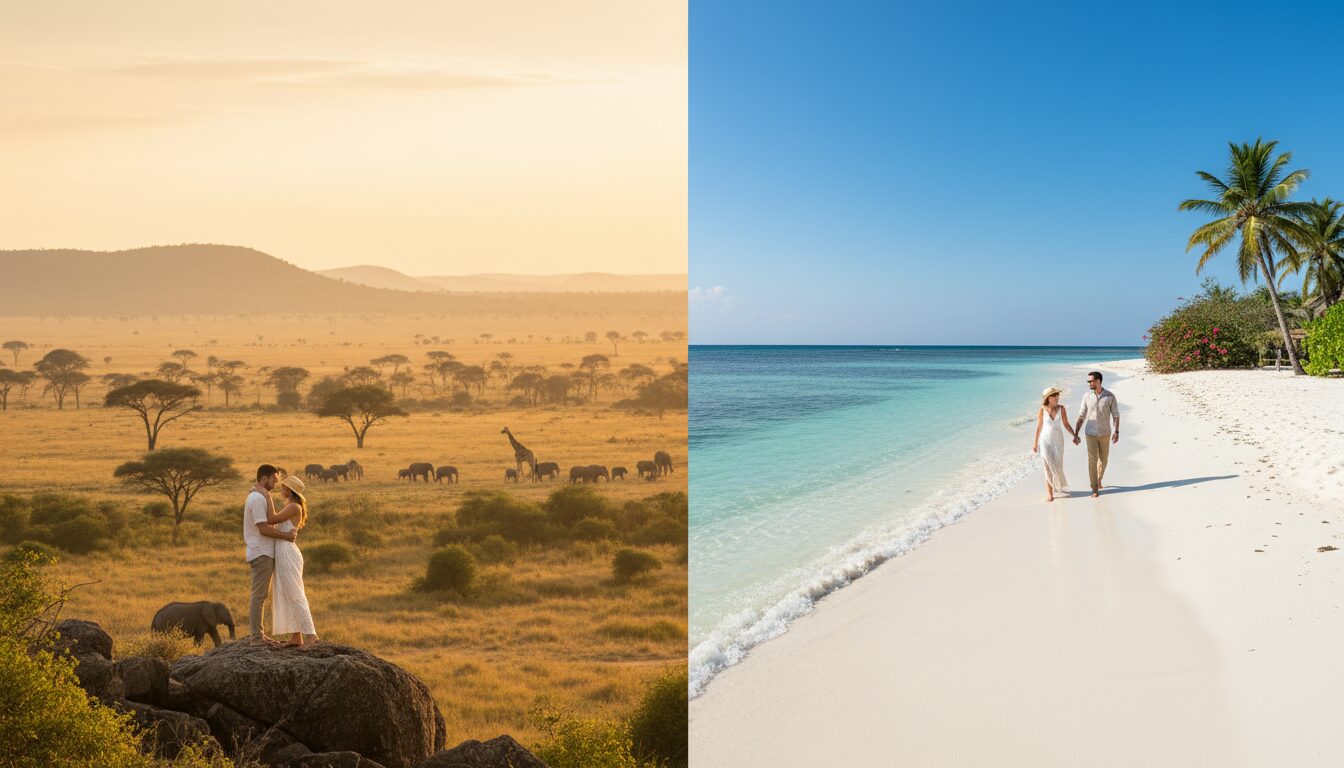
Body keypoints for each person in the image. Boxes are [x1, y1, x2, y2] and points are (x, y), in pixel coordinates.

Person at [263, 475, 319, 648]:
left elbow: (271, 519)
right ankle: (296, 636)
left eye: (284, 487)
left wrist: (266, 496)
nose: (281, 490)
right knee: (287, 593)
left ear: (289, 490)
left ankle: (311, 634)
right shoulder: (290, 506)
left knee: (295, 593)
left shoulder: (294, 507)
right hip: (283, 554)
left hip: (287, 554)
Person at [243, 464, 296, 646]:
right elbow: (264, 529)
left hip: (264, 551)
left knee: (261, 595)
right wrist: (287, 536)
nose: (275, 482)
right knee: (259, 596)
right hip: (261, 551)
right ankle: (256, 638)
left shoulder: (261, 496)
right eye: (273, 479)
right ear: (264, 478)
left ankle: (259, 635)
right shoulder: (257, 498)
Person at [1072, 371, 1120, 498]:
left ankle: (1099, 479)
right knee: (1092, 460)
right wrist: (1076, 433)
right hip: (1090, 433)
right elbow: (1081, 415)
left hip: (1105, 433)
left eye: (1091, 381)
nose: (1089, 383)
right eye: (1088, 381)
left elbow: (1116, 415)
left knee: (1103, 460)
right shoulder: (1086, 396)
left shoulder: (1110, 396)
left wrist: (1116, 431)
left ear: (1098, 381)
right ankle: (1094, 488)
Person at [1033, 386, 1077, 502]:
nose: (1057, 397)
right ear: (1048, 398)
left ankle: (1057, 486)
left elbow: (1066, 424)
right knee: (1047, 466)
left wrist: (1074, 435)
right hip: (1045, 441)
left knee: (1057, 466)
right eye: (1055, 395)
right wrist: (1035, 443)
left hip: (1058, 441)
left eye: (1058, 395)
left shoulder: (1061, 408)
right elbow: (1039, 426)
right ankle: (1050, 494)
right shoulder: (1042, 410)